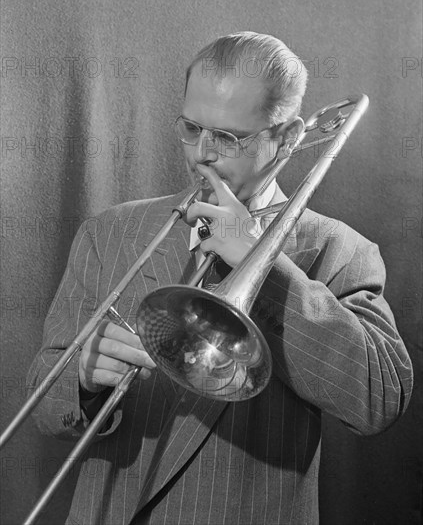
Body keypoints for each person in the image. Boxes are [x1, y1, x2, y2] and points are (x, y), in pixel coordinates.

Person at [27, 32, 413, 525]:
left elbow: (377, 401)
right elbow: (43, 405)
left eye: (228, 137)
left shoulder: (340, 251)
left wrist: (263, 265)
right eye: (191, 128)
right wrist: (80, 376)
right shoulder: (111, 232)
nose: (202, 154)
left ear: (289, 137)